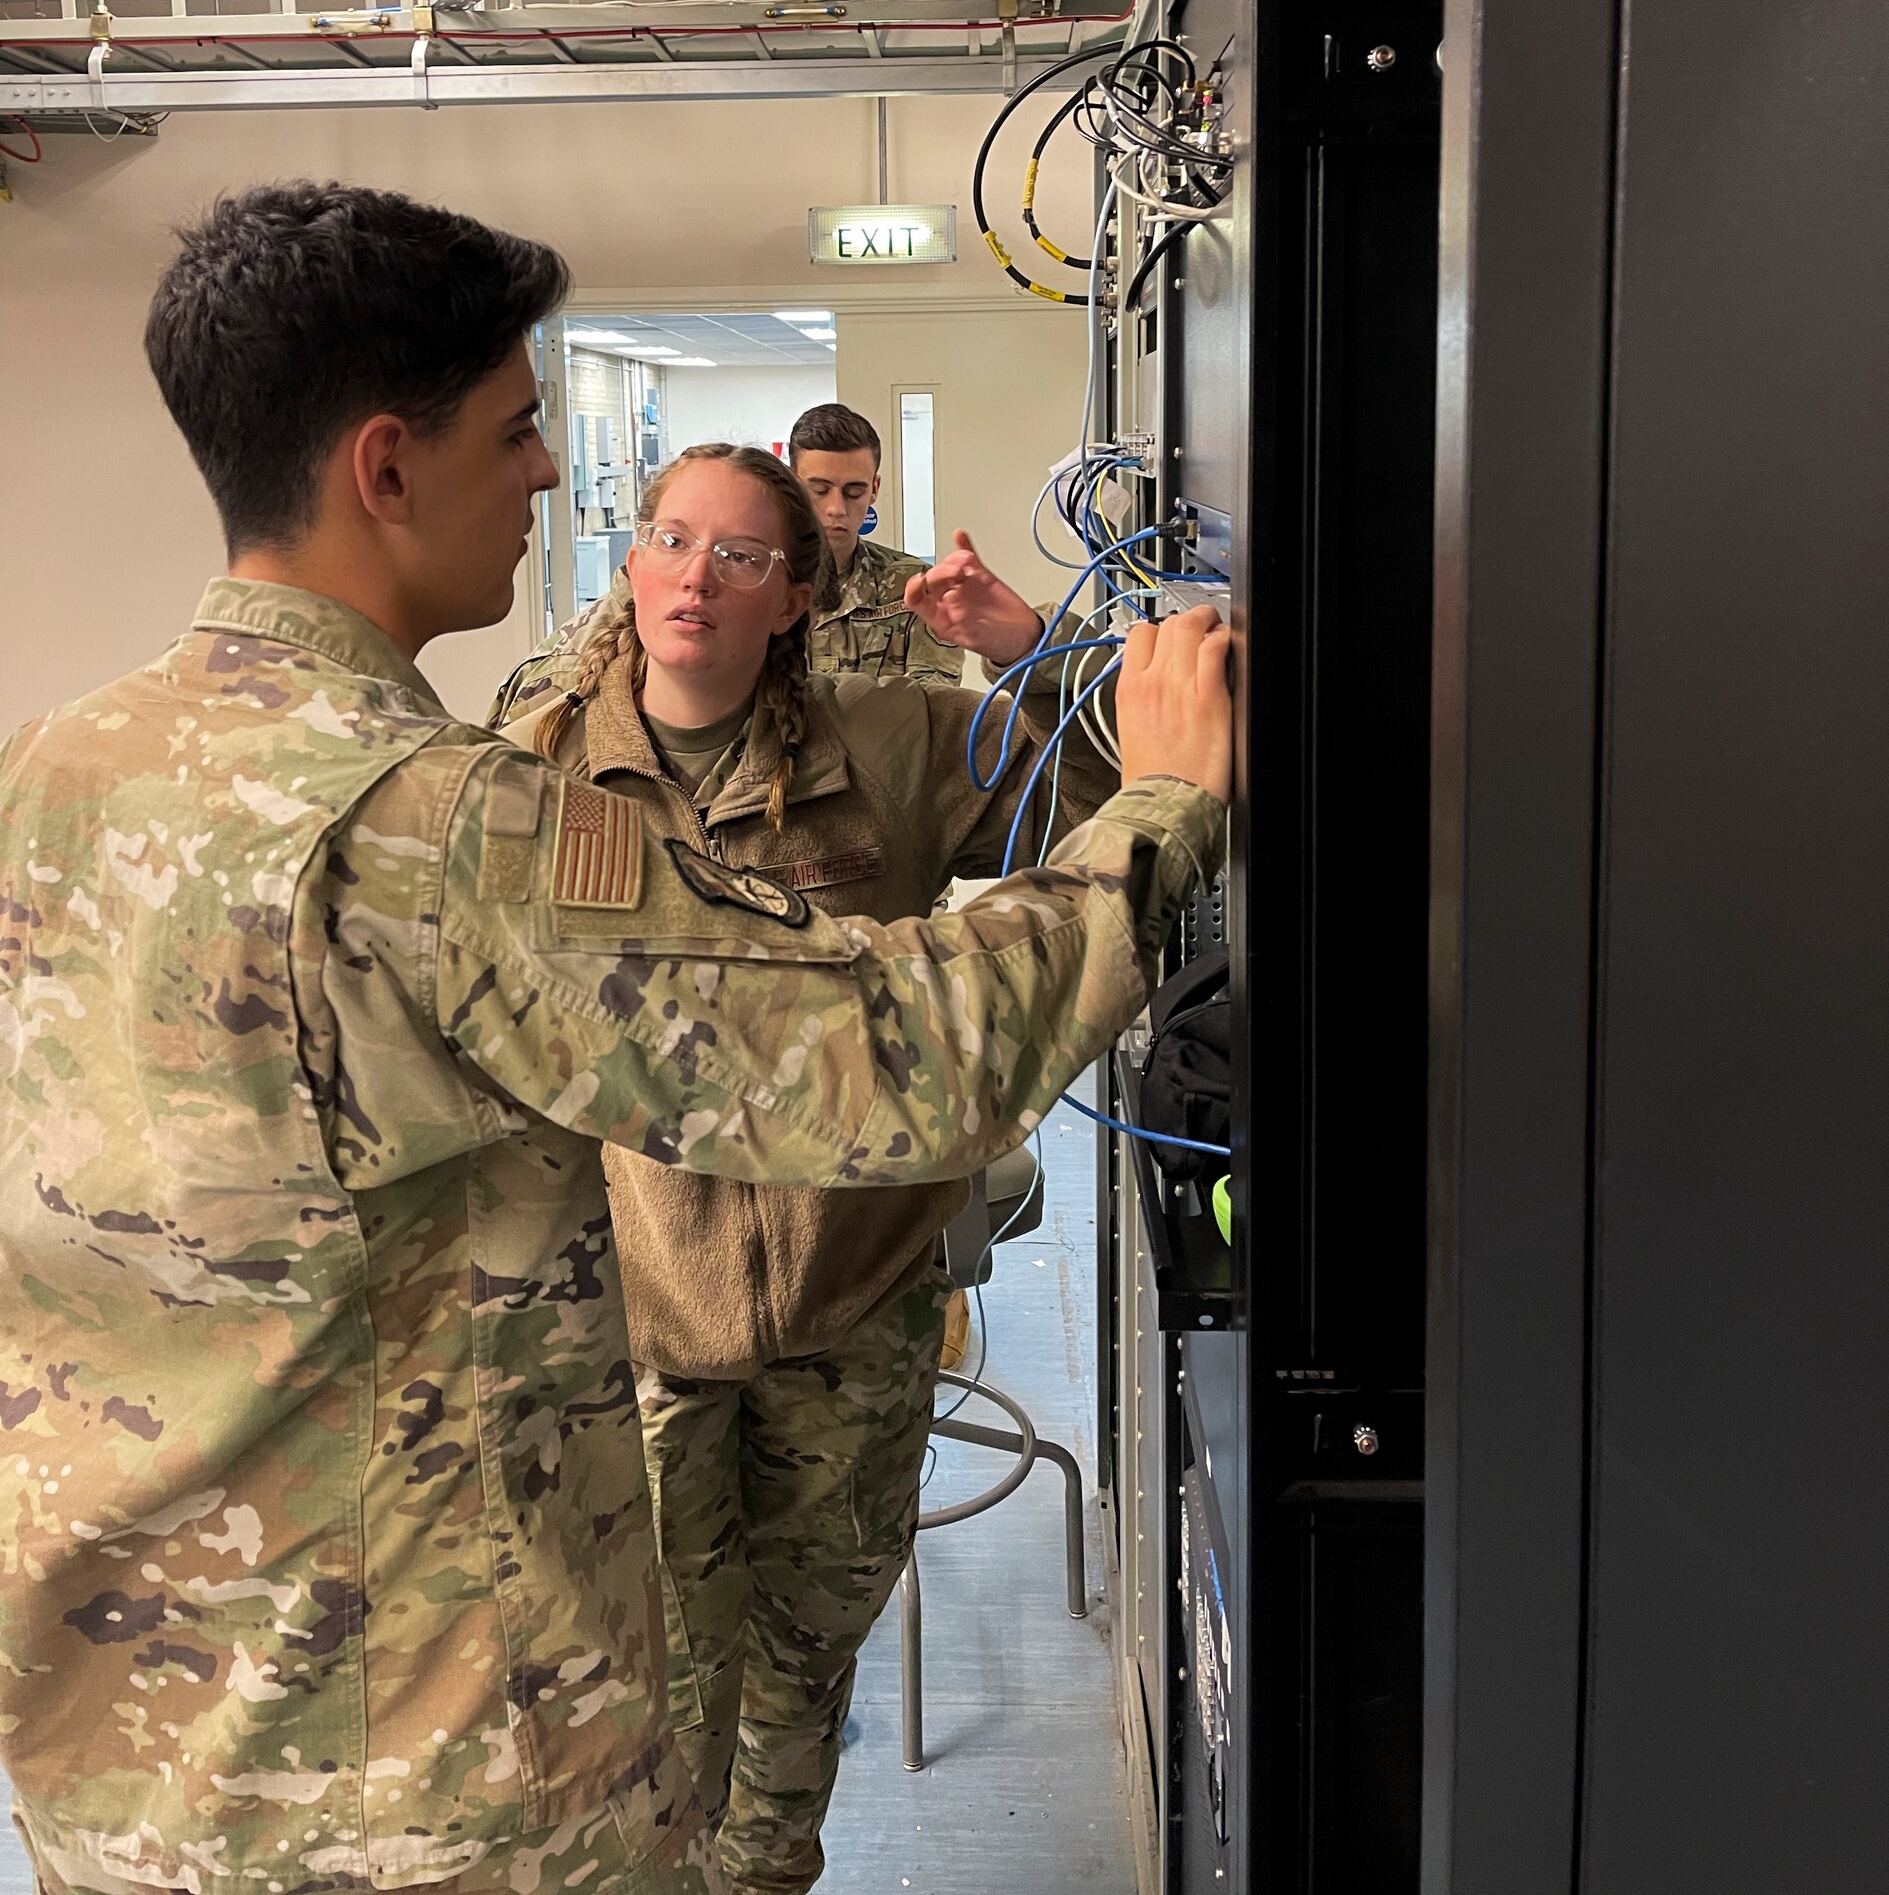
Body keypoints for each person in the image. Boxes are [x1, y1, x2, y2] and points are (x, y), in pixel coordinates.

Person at [0, 181, 1233, 1895]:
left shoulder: (41, 776)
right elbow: (892, 1058)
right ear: (382, 466)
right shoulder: (455, 825)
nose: (540, 481)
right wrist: (1165, 801)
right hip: (429, 1774)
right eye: (517, 434)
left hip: (126, 1757)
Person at [490, 446, 1119, 1895]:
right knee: (652, 1688)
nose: (695, 575)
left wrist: (1033, 654)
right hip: (632, 1318)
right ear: (629, 566)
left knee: (803, 1658)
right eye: (667, 540)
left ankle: (770, 1876)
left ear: (797, 600)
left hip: (852, 1303)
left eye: (740, 556)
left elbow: (1114, 796)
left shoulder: (888, 739)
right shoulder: (528, 766)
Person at [788, 402, 965, 687]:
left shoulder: (913, 588)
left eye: (853, 492)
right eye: (819, 490)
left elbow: (932, 707)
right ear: (793, 485)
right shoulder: (761, 581)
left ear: (874, 489)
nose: (836, 508)